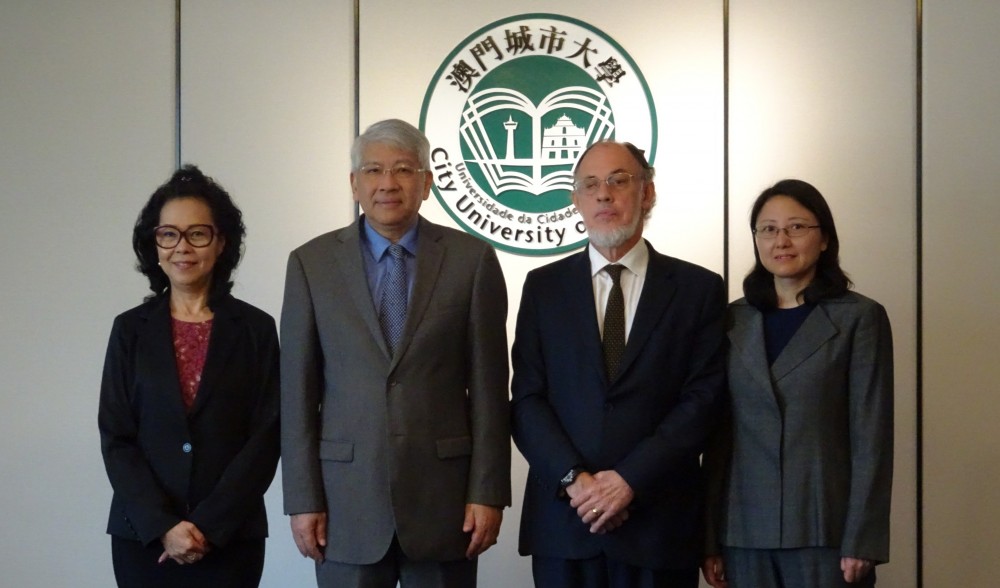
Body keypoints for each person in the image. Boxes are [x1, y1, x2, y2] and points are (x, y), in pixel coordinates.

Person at [280, 118, 511, 588]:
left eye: (404, 170)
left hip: (445, 503)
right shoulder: (311, 264)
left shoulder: (472, 260)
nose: (388, 183)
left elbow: (490, 389)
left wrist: (488, 492)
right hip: (346, 501)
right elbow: (297, 393)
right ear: (354, 183)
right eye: (373, 171)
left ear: (426, 183)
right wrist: (303, 498)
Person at [510, 140, 727, 588]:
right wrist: (577, 481)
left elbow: (703, 401)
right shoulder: (542, 288)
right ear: (576, 200)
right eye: (590, 185)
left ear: (647, 193)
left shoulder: (697, 289)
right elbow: (528, 400)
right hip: (565, 524)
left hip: (658, 524)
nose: (603, 195)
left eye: (618, 181)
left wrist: (629, 479)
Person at [702, 179, 894, 588]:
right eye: (767, 229)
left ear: (824, 238)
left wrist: (863, 538)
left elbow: (871, 437)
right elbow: (718, 437)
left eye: (796, 227)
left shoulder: (859, 318)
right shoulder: (733, 319)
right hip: (743, 532)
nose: (781, 240)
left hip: (825, 530)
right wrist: (710, 537)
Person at [98, 165, 281, 587]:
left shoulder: (255, 329)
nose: (182, 247)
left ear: (221, 243)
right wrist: (164, 525)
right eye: (168, 234)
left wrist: (209, 527)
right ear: (154, 244)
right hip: (145, 539)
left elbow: (266, 435)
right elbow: (116, 436)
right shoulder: (130, 330)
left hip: (231, 538)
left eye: (198, 233)